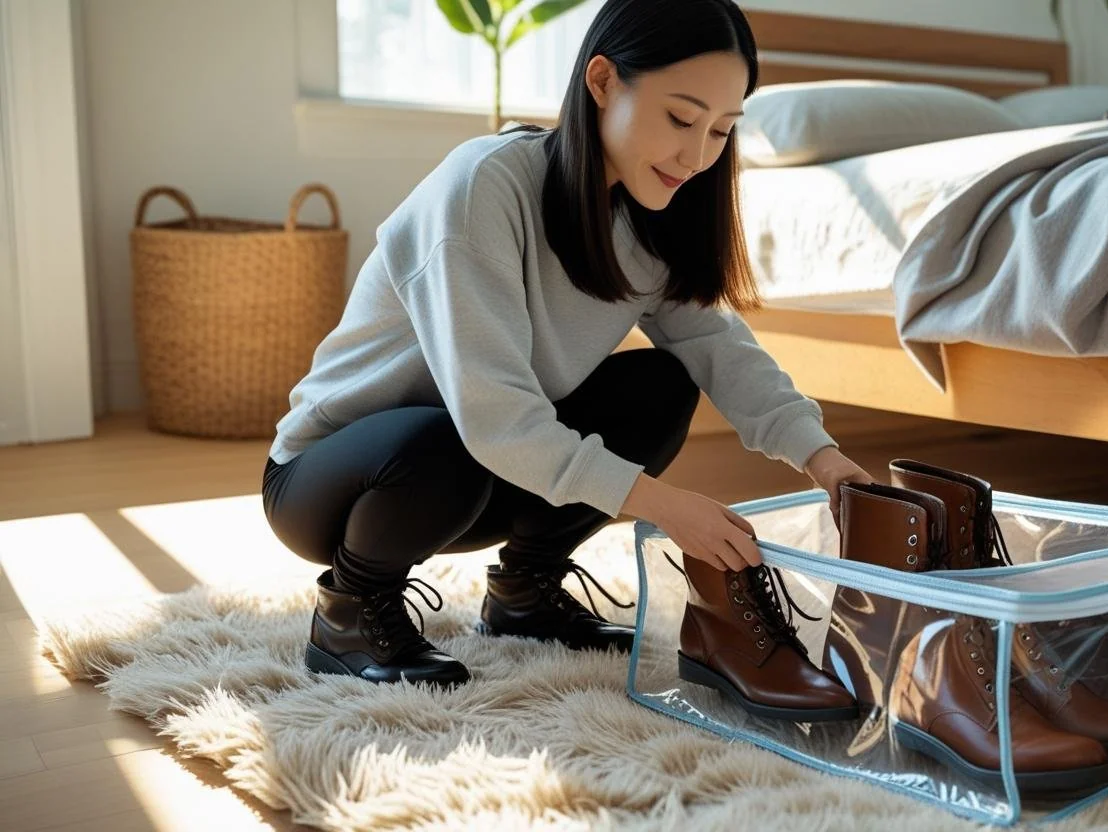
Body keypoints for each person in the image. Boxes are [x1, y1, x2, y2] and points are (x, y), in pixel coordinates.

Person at [261, 0, 874, 687]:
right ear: (604, 81)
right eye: (680, 118)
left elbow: (721, 349)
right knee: (447, 442)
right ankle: (349, 609)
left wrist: (826, 463)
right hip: (338, 481)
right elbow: (493, 418)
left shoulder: (649, 221)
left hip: (477, 468)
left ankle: (525, 594)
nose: (697, 155)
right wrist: (669, 507)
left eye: (721, 131)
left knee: (662, 386)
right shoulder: (482, 189)